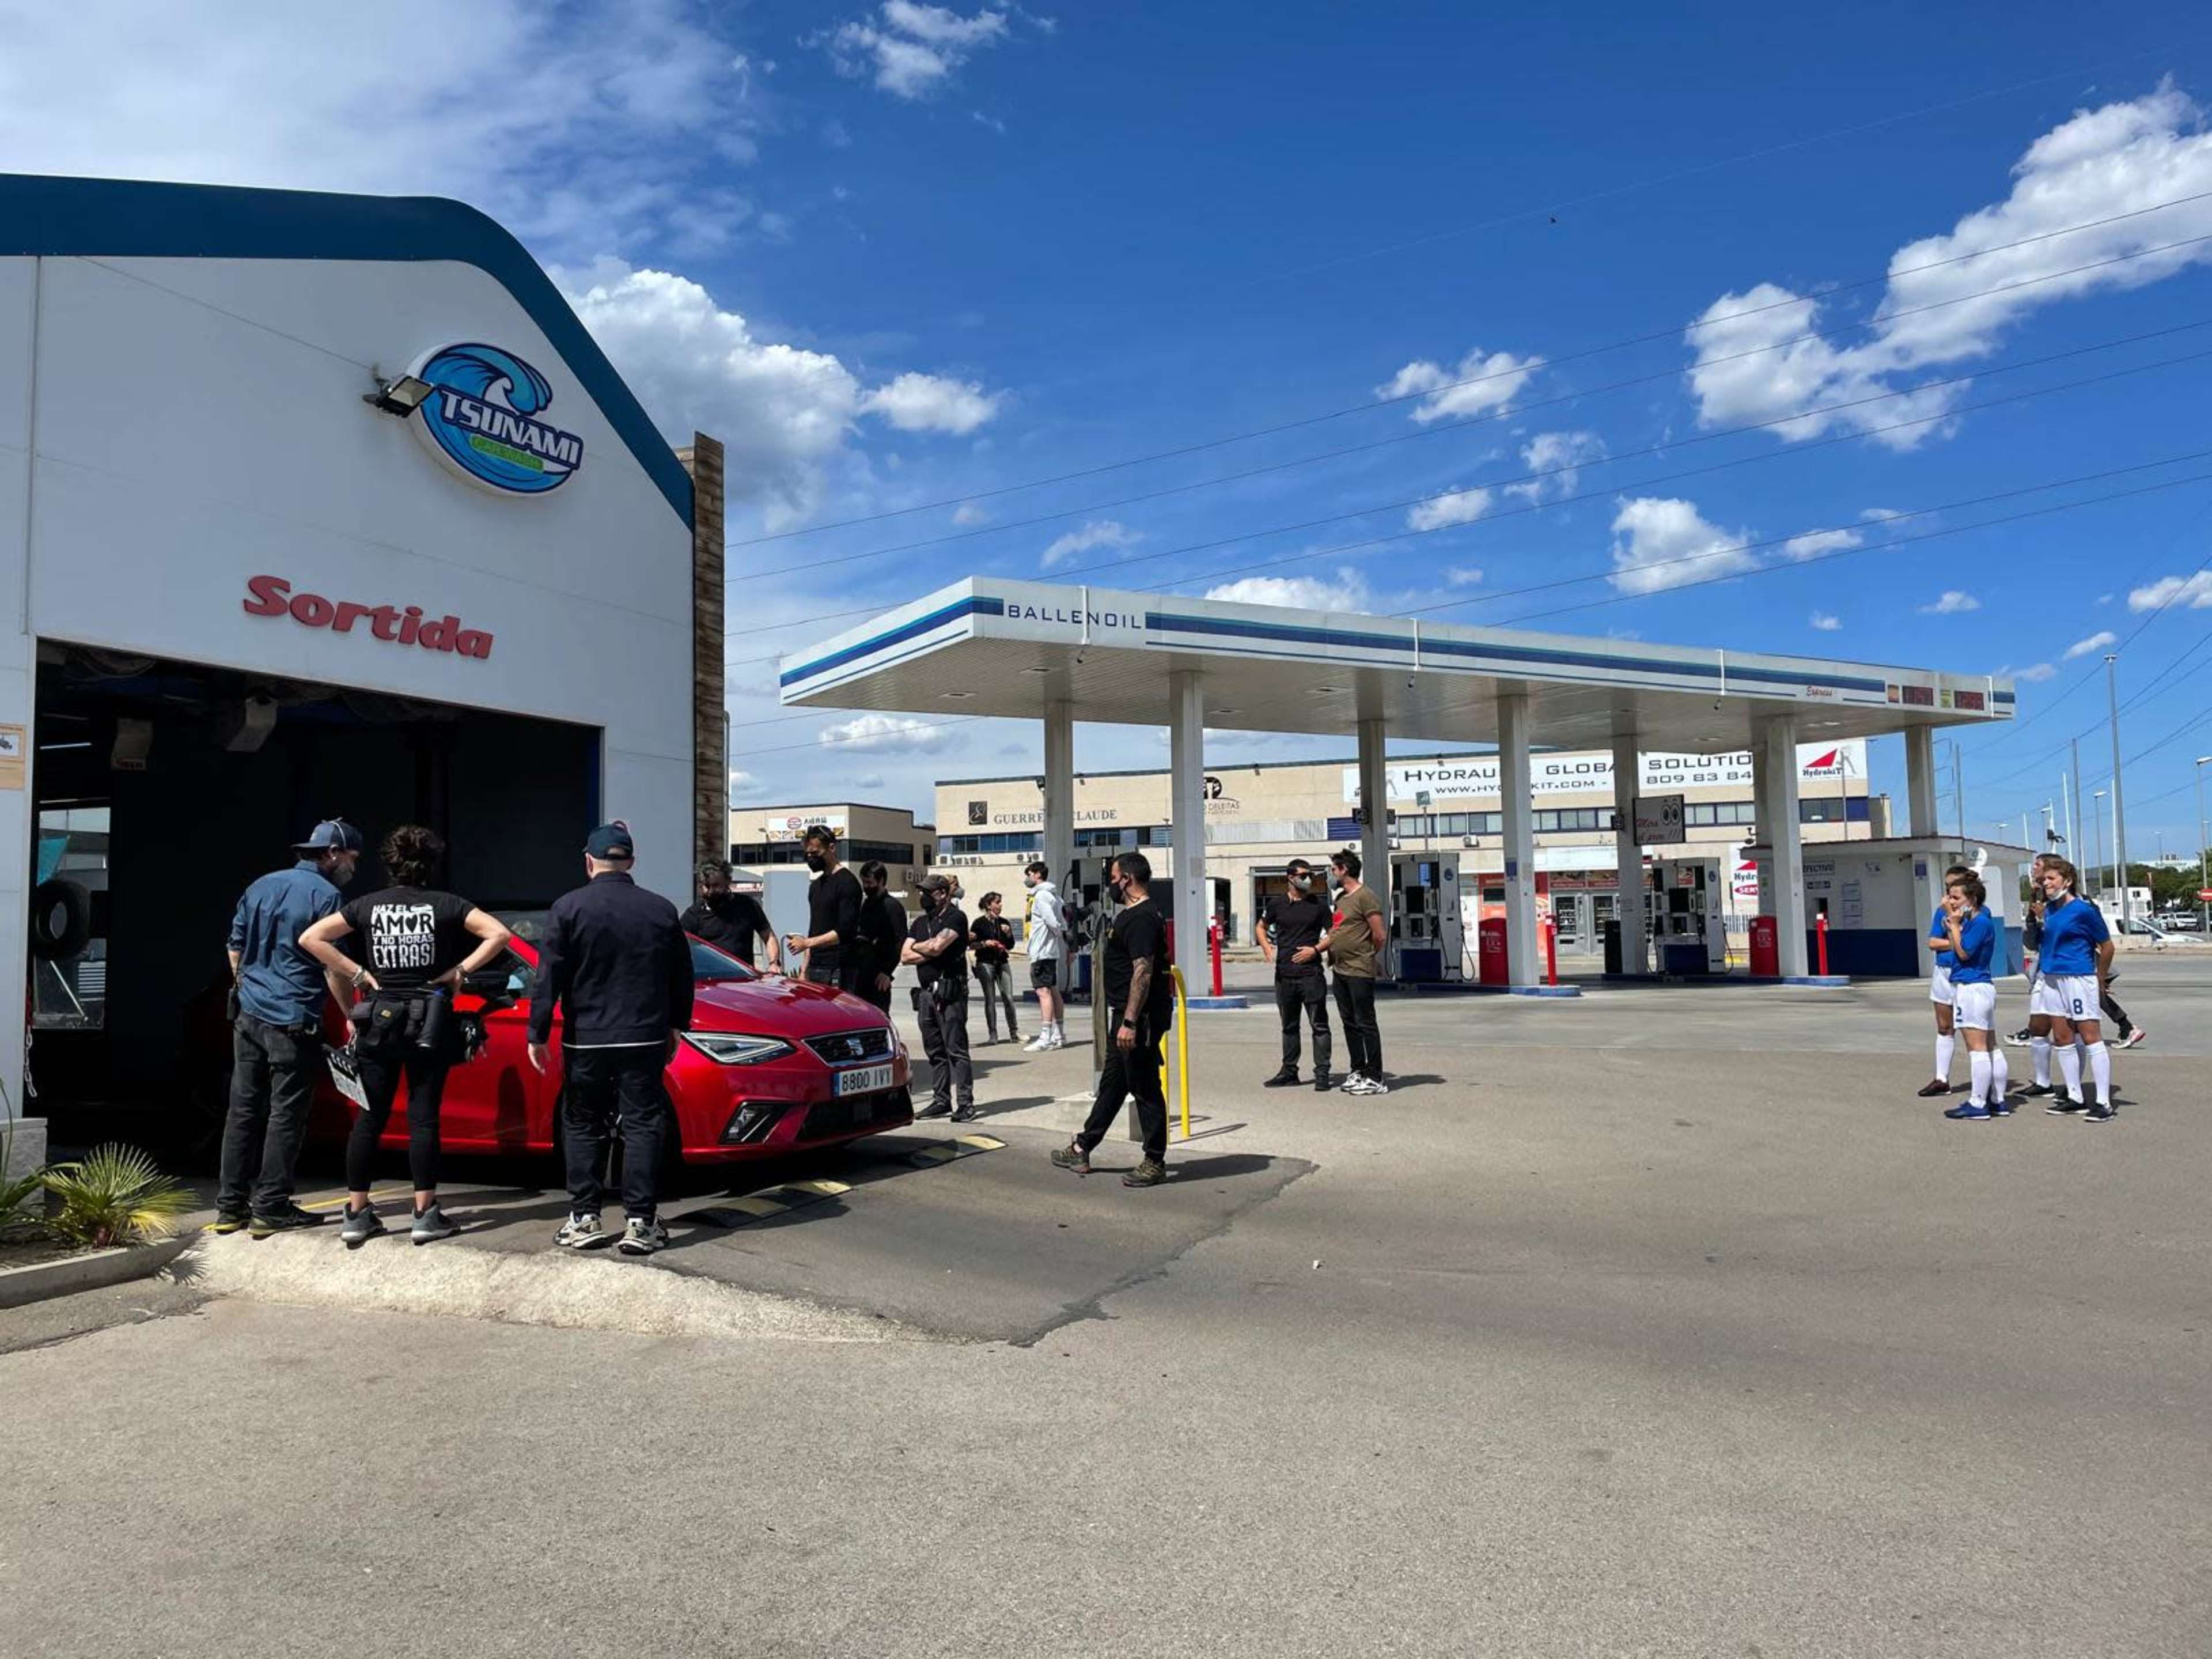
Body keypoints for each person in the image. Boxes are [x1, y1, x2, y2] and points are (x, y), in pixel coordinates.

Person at [301, 824, 511, 1247]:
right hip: (429, 1018)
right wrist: (459, 973)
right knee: (424, 1117)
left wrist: (360, 975)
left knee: (369, 1117)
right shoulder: (447, 904)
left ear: (391, 866)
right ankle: (424, 1213)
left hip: (378, 1020)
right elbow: (499, 934)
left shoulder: (367, 906)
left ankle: (357, 1214)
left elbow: (312, 938)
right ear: (430, 865)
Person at [528, 822, 696, 1255]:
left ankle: (584, 1218)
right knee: (642, 1124)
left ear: (589, 862)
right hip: (644, 1036)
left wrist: (538, 1032)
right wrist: (678, 1024)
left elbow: (549, 977)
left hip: (587, 1038)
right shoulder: (660, 909)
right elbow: (681, 975)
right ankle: (641, 1222)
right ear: (632, 863)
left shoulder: (567, 908)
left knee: (583, 1123)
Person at [214, 819, 363, 1237]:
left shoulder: (261, 885)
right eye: (353, 857)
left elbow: (234, 945)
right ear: (333, 853)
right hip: (294, 1018)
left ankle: (230, 1208)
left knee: (242, 1111)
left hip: (249, 1016)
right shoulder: (328, 895)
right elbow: (332, 965)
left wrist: (246, 987)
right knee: (286, 1116)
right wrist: (351, 1015)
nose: (354, 866)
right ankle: (271, 1207)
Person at [1052, 853, 1176, 1187]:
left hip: (1138, 1018)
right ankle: (1083, 1145)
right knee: (1114, 1084)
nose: (1110, 883)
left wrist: (1131, 1021)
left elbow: (1143, 970)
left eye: (1114, 876)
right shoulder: (1139, 915)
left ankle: (1154, 1161)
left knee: (1146, 1087)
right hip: (1125, 1015)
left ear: (1128, 880)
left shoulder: (1139, 918)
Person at [2032, 857, 2118, 1121]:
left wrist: (2100, 978)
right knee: (2062, 1037)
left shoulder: (2083, 910)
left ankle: (2103, 1103)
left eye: (2051, 879)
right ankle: (2075, 1096)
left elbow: (2107, 946)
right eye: (2044, 879)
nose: (2046, 883)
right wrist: (2035, 921)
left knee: (2091, 1036)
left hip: (2079, 977)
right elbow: (2040, 942)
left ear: (2067, 882)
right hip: (2051, 977)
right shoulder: (2048, 910)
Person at [901, 874, 976, 1121]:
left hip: (950, 992)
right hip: (926, 995)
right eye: (922, 892)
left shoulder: (956, 918)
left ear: (943, 893)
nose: (923, 897)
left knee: (956, 1049)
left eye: (929, 892)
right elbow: (905, 956)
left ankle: (965, 1104)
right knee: (935, 1051)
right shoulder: (921, 922)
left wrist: (927, 948)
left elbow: (937, 947)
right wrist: (931, 949)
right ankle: (941, 1100)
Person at [1937, 874, 2010, 1120]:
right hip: (1978, 987)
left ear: (1973, 898)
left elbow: (1964, 952)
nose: (1951, 901)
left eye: (1956, 897)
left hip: (1972, 987)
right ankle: (1998, 1100)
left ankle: (1978, 1103)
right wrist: (1955, 926)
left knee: (1977, 1047)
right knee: (1990, 1045)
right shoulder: (1973, 922)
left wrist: (1955, 927)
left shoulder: (1980, 922)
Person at [1259, 857, 1334, 1090]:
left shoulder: (1319, 905)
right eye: (1303, 875)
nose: (1308, 879)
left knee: (1319, 1025)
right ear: (1290, 878)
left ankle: (1322, 1074)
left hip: (1311, 975)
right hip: (1285, 976)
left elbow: (1334, 934)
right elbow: (1261, 926)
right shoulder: (1277, 904)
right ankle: (1289, 1071)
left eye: (1310, 875)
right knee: (1289, 1026)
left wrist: (1315, 950)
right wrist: (1266, 946)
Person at [1318, 847, 1387, 1096]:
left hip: (1360, 968)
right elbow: (1337, 932)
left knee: (1365, 1022)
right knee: (1349, 1022)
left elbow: (1379, 934)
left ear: (1344, 870)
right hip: (1341, 969)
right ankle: (1358, 1070)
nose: (1331, 874)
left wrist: (1369, 956)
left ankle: (1376, 1076)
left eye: (1334, 869)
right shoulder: (1341, 900)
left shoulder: (1366, 896)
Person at [1916, 862, 1975, 1098]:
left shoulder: (1979, 913)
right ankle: (1942, 1079)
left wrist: (1956, 940)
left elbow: (1972, 946)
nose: (1949, 894)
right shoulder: (1942, 912)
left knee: (1973, 1031)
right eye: (1947, 887)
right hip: (1943, 972)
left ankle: (1985, 1082)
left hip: (1967, 975)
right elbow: (1932, 942)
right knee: (1944, 1027)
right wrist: (1957, 942)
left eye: (1954, 887)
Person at [783, 824, 863, 992]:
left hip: (839, 968)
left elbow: (845, 931)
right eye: (808, 854)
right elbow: (815, 928)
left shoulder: (848, 883)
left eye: (815, 853)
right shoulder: (816, 886)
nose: (811, 858)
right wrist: (804, 971)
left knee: (838, 1018)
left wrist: (806, 943)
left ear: (832, 848)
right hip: (815, 966)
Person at [680, 860, 778, 971]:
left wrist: (773, 963)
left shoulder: (747, 906)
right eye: (707, 886)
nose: (711, 891)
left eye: (716, 885)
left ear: (728, 882)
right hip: (710, 981)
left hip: (743, 978)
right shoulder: (694, 915)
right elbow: (678, 946)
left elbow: (769, 936)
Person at [1021, 861, 1070, 1051]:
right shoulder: (1055, 895)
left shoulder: (1041, 896)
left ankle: (1045, 1036)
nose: (1027, 878)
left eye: (1029, 874)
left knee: (1043, 992)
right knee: (1053, 990)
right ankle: (1059, 1034)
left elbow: (1052, 921)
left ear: (1037, 875)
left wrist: (1058, 932)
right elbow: (1063, 919)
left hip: (1042, 951)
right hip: (1049, 951)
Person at [854, 860, 907, 1013]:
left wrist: (887, 972)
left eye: (870, 883)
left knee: (879, 1015)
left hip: (879, 976)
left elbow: (900, 942)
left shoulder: (892, 907)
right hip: (862, 972)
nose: (866, 887)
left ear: (882, 881)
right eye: (864, 883)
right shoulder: (867, 905)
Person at [970, 892, 1021, 1044]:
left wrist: (1009, 933)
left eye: (1000, 902)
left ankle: (1014, 1032)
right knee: (990, 999)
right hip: (985, 963)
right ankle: (993, 1034)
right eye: (997, 903)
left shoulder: (1004, 922)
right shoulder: (979, 923)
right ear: (988, 905)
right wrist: (985, 943)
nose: (1000, 905)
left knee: (1008, 997)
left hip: (1002, 962)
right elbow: (971, 945)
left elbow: (1010, 945)